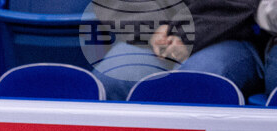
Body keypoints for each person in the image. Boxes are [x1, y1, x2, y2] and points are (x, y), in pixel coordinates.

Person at [91, 0, 265, 101]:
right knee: (112, 80)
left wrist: (190, 34)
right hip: (151, 33)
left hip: (229, 33)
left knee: (194, 84)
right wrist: (151, 29)